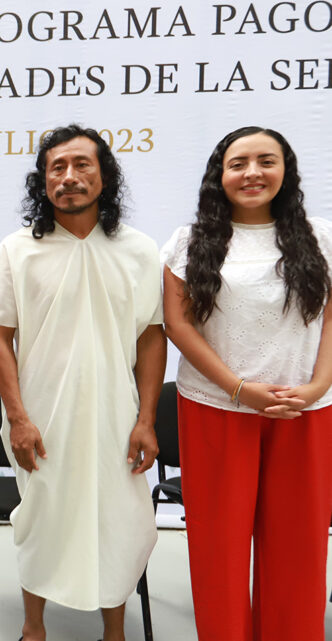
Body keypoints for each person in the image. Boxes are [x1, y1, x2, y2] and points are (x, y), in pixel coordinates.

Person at [0, 125, 164, 641]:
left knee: (120, 523)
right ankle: (33, 628)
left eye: (82, 165)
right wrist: (16, 418)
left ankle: (114, 631)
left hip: (116, 418)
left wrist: (147, 420)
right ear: (43, 181)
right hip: (41, 418)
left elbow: (151, 338)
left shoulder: (139, 250)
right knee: (42, 521)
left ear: (105, 176)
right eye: (57, 168)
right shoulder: (18, 250)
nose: (70, 177)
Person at [161, 126, 332, 641]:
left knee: (298, 549)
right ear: (220, 175)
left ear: (286, 170)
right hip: (216, 409)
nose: (252, 173)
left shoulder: (320, 236)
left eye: (266, 161)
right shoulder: (189, 242)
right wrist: (239, 389)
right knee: (221, 551)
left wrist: (320, 383)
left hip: (304, 410)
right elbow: (178, 324)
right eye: (238, 163)